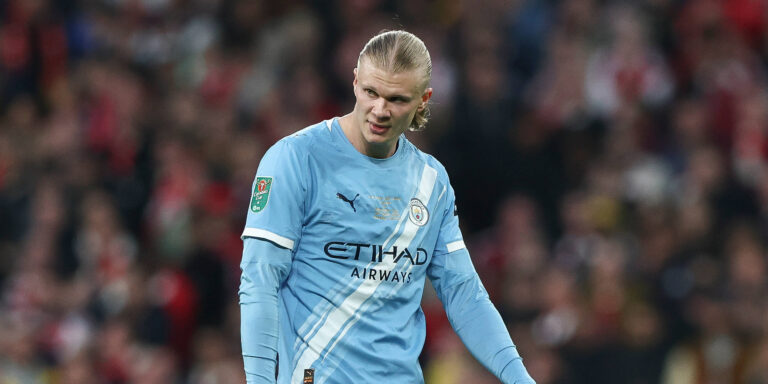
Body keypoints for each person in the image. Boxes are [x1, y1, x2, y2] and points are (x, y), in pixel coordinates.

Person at [239, 30, 536, 384]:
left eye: (396, 99)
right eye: (371, 93)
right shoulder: (294, 159)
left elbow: (465, 295)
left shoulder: (431, 181)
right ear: (354, 82)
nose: (379, 110)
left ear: (423, 100)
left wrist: (522, 379)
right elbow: (259, 281)